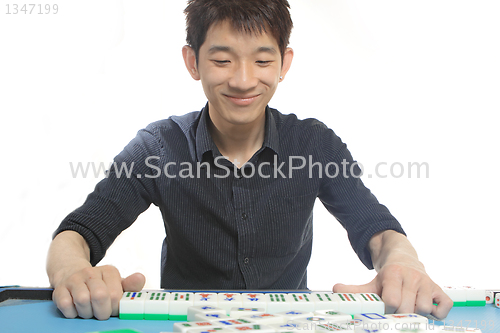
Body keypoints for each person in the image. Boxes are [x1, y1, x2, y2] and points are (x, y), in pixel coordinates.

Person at [46, 0, 453, 321]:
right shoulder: (157, 148)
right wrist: (71, 272)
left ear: (283, 65)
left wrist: (402, 261)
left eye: (261, 61)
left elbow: (378, 231)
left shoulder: (314, 144)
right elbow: (78, 233)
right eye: (222, 61)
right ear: (192, 62)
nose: (243, 80)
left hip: (288, 324)